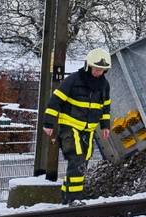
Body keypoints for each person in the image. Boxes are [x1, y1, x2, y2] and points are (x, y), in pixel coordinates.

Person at [41, 48, 112, 202]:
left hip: (88, 130)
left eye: (101, 70)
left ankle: (66, 198)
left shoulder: (104, 85)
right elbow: (55, 101)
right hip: (69, 127)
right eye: (96, 68)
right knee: (77, 159)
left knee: (83, 161)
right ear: (88, 66)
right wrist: (48, 123)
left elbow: (105, 107)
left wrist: (105, 126)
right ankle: (75, 199)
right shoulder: (73, 80)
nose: (98, 72)